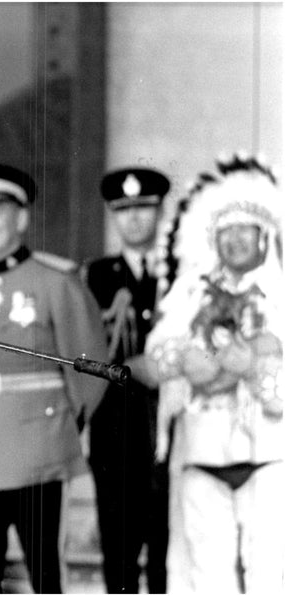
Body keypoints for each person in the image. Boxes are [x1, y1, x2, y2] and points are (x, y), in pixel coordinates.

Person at [0, 163, 109, 594]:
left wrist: (68, 426)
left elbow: (91, 368)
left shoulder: (55, 281)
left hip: (40, 450)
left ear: (22, 218)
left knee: (45, 577)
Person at [146, 154, 284, 593]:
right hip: (202, 450)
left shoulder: (281, 296)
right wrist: (183, 359)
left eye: (247, 230)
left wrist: (259, 363)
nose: (237, 241)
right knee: (207, 573)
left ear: (265, 236)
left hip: (270, 453)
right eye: (227, 231)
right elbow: (156, 357)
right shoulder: (189, 292)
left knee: (267, 570)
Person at [85, 167, 171, 593]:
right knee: (118, 555)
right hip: (115, 435)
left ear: (159, 211)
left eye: (144, 208)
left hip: (171, 434)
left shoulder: (181, 273)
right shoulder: (95, 277)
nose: (134, 219)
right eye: (124, 210)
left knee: (168, 556)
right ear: (113, 217)